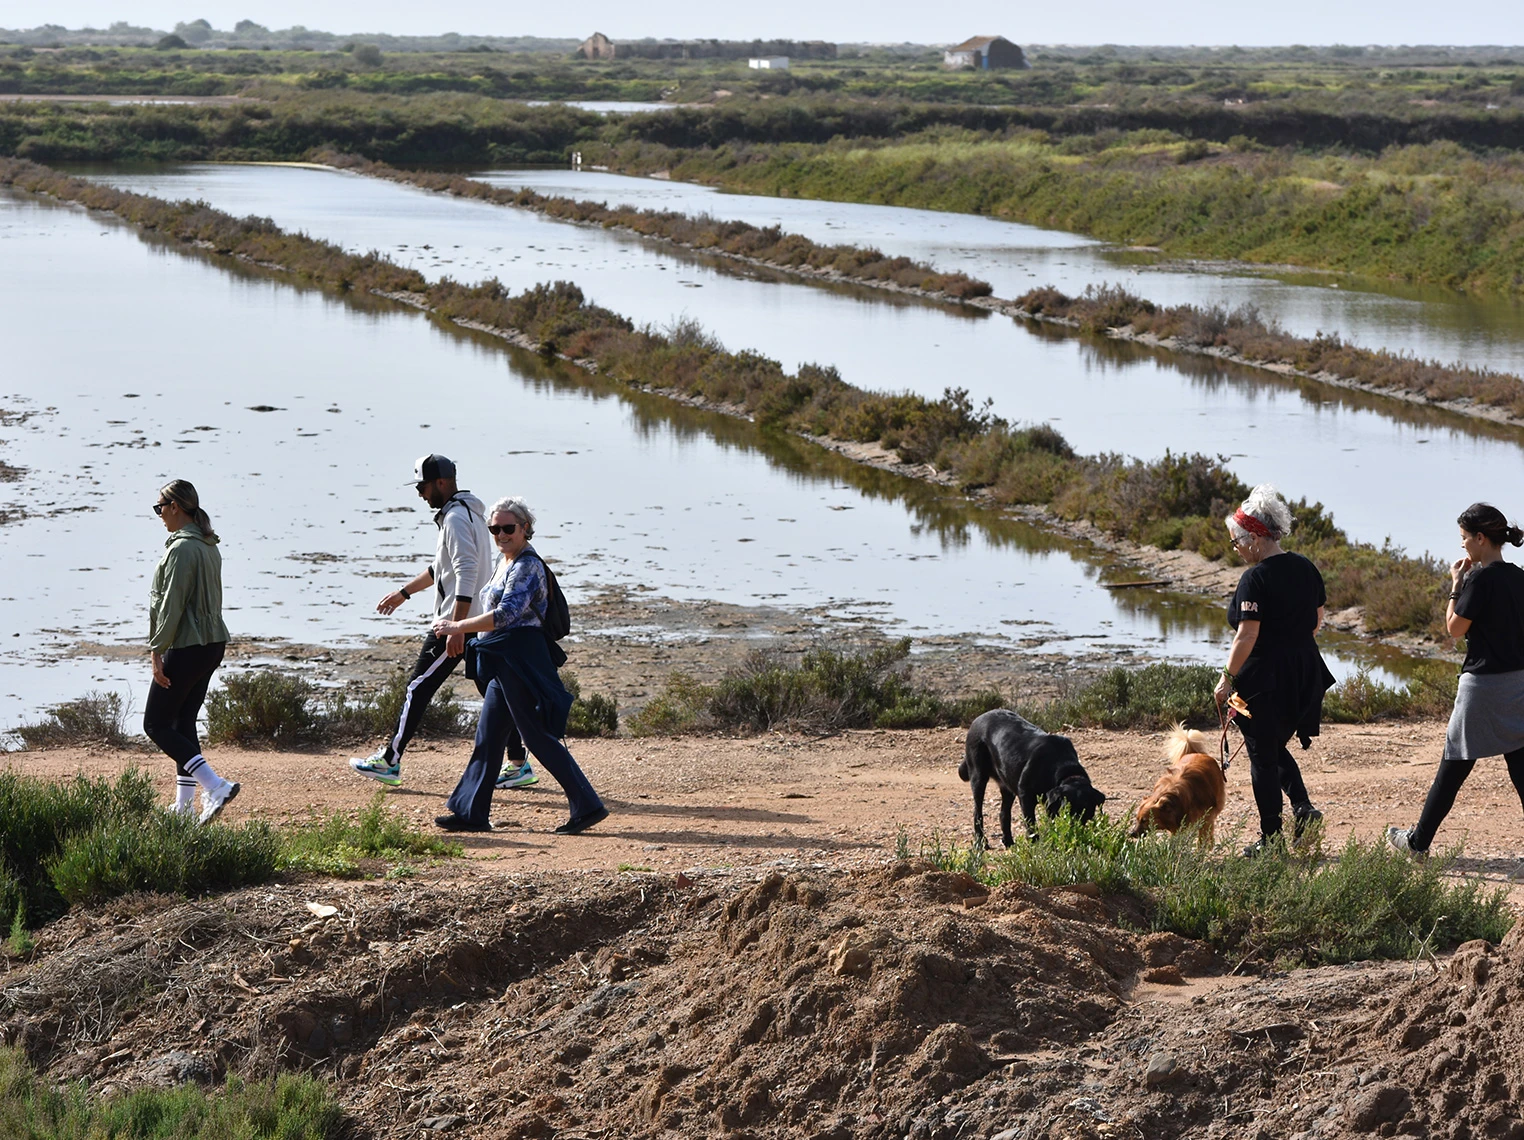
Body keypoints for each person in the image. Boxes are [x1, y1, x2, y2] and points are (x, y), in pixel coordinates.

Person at [350, 455, 537, 792]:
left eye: (422, 486)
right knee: (494, 693)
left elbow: (466, 570)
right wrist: (403, 593)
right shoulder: (471, 515)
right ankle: (518, 764)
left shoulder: (454, 518)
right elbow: (443, 568)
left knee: (417, 687)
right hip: (475, 623)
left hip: (457, 622)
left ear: (439, 483)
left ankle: (390, 760)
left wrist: (456, 626)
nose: (420, 494)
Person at [430, 496, 607, 835]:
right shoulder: (504, 562)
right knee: (489, 736)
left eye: (508, 528)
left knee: (535, 736)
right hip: (504, 658)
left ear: (525, 529)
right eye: (494, 528)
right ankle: (472, 812)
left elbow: (507, 614)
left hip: (522, 659)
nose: (500, 534)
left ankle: (587, 806)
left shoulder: (528, 566)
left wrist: (456, 627)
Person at [1389, 504, 1524, 858]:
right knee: (1523, 770)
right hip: (1519, 685)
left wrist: (1455, 584)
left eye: (1465, 538)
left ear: (1481, 538)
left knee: (1452, 768)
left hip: (1483, 688)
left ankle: (1417, 844)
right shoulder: (1520, 577)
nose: (1463, 545)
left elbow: (1453, 629)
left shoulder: (1479, 580)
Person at [1212, 484, 1334, 856]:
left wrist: (1226, 678)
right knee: (1270, 745)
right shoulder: (1305, 567)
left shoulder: (1256, 578)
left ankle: (1272, 841)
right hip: (1304, 674)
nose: (1236, 550)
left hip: (1262, 680)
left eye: (1236, 543)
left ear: (1254, 538)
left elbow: (1247, 634)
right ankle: (1303, 808)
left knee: (1262, 757)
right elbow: (1316, 622)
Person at [144, 479, 239, 824]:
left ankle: (215, 786)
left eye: (160, 508)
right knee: (183, 720)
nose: (159, 516)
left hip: (189, 645)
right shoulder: (208, 544)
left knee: (155, 723)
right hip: (212, 644)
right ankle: (183, 806)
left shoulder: (182, 549)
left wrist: (157, 651)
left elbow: (171, 605)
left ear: (175, 507)